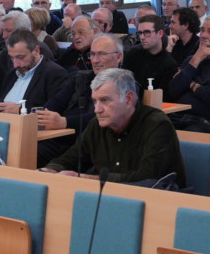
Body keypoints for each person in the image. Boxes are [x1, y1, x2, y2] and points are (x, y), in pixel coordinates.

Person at [40, 68, 184, 186]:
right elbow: (70, 159)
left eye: (105, 100)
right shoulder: (97, 125)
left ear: (128, 99)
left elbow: (146, 179)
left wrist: (84, 178)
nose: (97, 109)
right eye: (95, 101)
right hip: (109, 201)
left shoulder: (157, 125)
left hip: (159, 205)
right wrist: (50, 170)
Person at [0, 29, 73, 114]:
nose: (15, 64)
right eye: (11, 58)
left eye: (20, 57)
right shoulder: (11, 74)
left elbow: (53, 112)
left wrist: (20, 111)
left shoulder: (54, 73)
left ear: (36, 51)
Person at [124, 13, 180, 90]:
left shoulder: (169, 64)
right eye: (140, 33)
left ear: (160, 33)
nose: (142, 37)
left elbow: (163, 97)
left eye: (147, 33)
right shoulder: (132, 54)